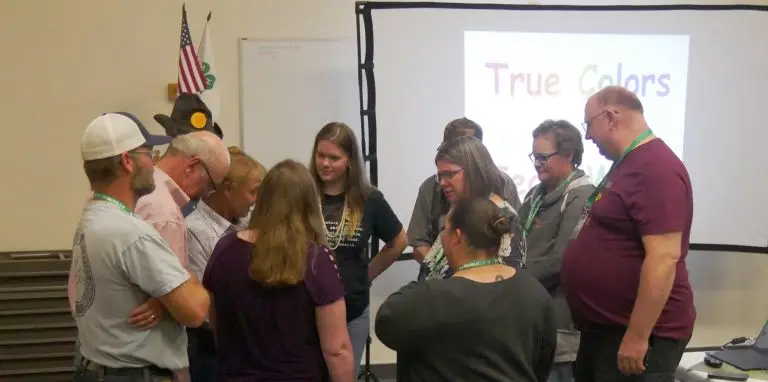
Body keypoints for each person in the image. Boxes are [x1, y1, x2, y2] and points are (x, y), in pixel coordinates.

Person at [562, 86, 695, 382]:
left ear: (610, 118)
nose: (587, 136)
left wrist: (637, 336)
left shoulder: (656, 168)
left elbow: (664, 257)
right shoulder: (627, 164)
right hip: (604, 330)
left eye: (589, 124)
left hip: (638, 337)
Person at [71, 113, 210, 382]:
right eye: (148, 154)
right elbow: (196, 310)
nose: (154, 163)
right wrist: (188, 278)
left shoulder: (93, 216)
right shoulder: (132, 234)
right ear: (127, 161)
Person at [202, 159, 354, 382]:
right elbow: (336, 349)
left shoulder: (224, 250)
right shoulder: (315, 260)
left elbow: (217, 326)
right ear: (310, 204)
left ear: (262, 199)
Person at [375, 197, 556, 381]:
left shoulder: (429, 298)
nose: (442, 237)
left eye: (445, 229)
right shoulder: (534, 292)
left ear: (458, 237)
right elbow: (541, 364)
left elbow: (385, 323)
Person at [311, 122, 407, 376]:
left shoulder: (369, 199)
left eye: (334, 157)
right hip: (308, 311)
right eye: (321, 155)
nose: (325, 163)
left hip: (352, 310)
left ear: (350, 161)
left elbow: (399, 242)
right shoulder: (305, 195)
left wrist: (367, 274)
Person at [518, 120, 595, 382]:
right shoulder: (534, 195)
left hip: (559, 322)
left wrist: (511, 280)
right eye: (534, 157)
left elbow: (562, 261)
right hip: (527, 315)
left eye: (543, 157)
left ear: (568, 154)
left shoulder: (582, 196)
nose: (537, 164)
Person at [185, 146, 266, 382]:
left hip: (249, 347)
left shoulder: (246, 225)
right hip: (214, 352)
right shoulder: (195, 231)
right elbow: (206, 306)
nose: (256, 200)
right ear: (229, 190)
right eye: (253, 192)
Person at [408, 117, 521, 264]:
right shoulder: (431, 187)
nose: (443, 182)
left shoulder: (503, 187)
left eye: (466, 147)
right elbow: (419, 244)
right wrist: (439, 272)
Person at [422, 136, 526, 280]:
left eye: (450, 174)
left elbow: (502, 284)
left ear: (474, 170)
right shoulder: (458, 211)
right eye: (440, 176)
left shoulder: (502, 216)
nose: (443, 183)